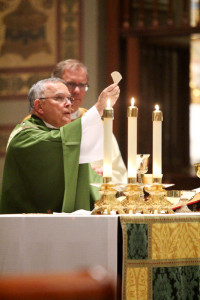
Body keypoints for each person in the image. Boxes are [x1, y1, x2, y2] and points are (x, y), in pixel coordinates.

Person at [0, 78, 120, 214]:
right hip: (25, 228)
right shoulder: (24, 136)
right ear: (39, 106)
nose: (68, 104)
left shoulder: (60, 134)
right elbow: (59, 142)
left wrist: (117, 198)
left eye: (69, 99)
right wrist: (98, 108)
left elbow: (89, 181)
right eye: (59, 98)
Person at [52, 59, 127, 183]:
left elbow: (119, 173)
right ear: (54, 85)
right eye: (70, 84)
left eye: (82, 85)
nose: (77, 91)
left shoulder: (99, 125)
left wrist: (102, 175)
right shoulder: (39, 123)